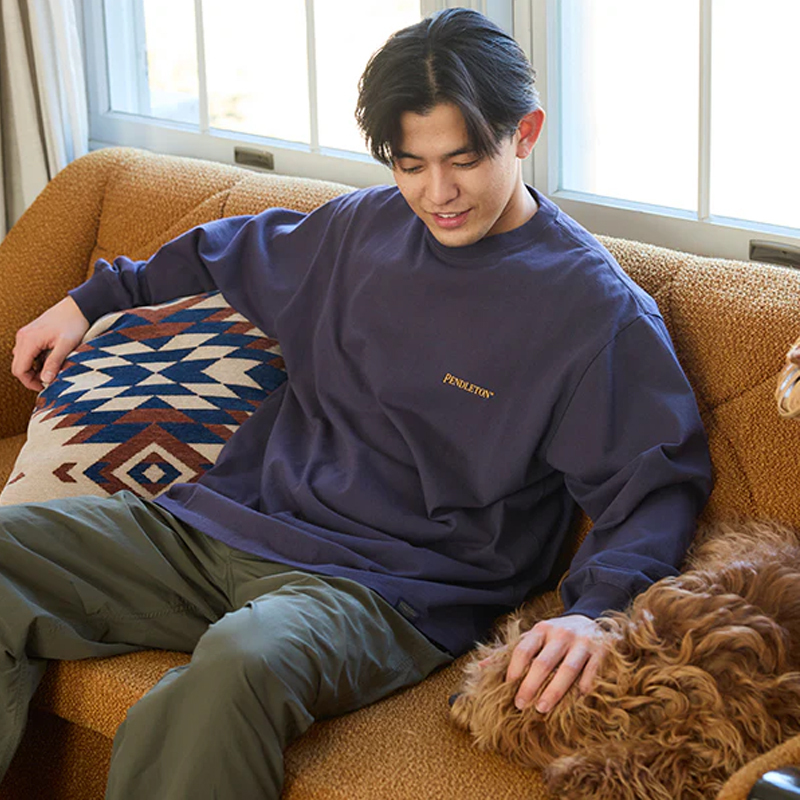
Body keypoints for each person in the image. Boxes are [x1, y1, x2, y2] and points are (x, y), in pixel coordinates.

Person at [5, 8, 712, 798]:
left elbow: (655, 483)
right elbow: (230, 250)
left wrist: (598, 609)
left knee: (236, 667)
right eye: (411, 165)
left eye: (464, 159)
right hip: (221, 525)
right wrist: (91, 300)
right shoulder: (359, 229)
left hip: (386, 591)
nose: (438, 193)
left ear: (525, 134)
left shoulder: (594, 313)